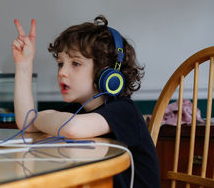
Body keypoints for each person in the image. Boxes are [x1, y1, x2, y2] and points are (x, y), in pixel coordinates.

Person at [11, 15, 160, 188]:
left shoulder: (124, 111)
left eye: (75, 63)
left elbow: (72, 128)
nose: (62, 72)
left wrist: (39, 118)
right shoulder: (77, 109)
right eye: (60, 64)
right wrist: (24, 66)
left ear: (107, 74)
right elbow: (26, 123)